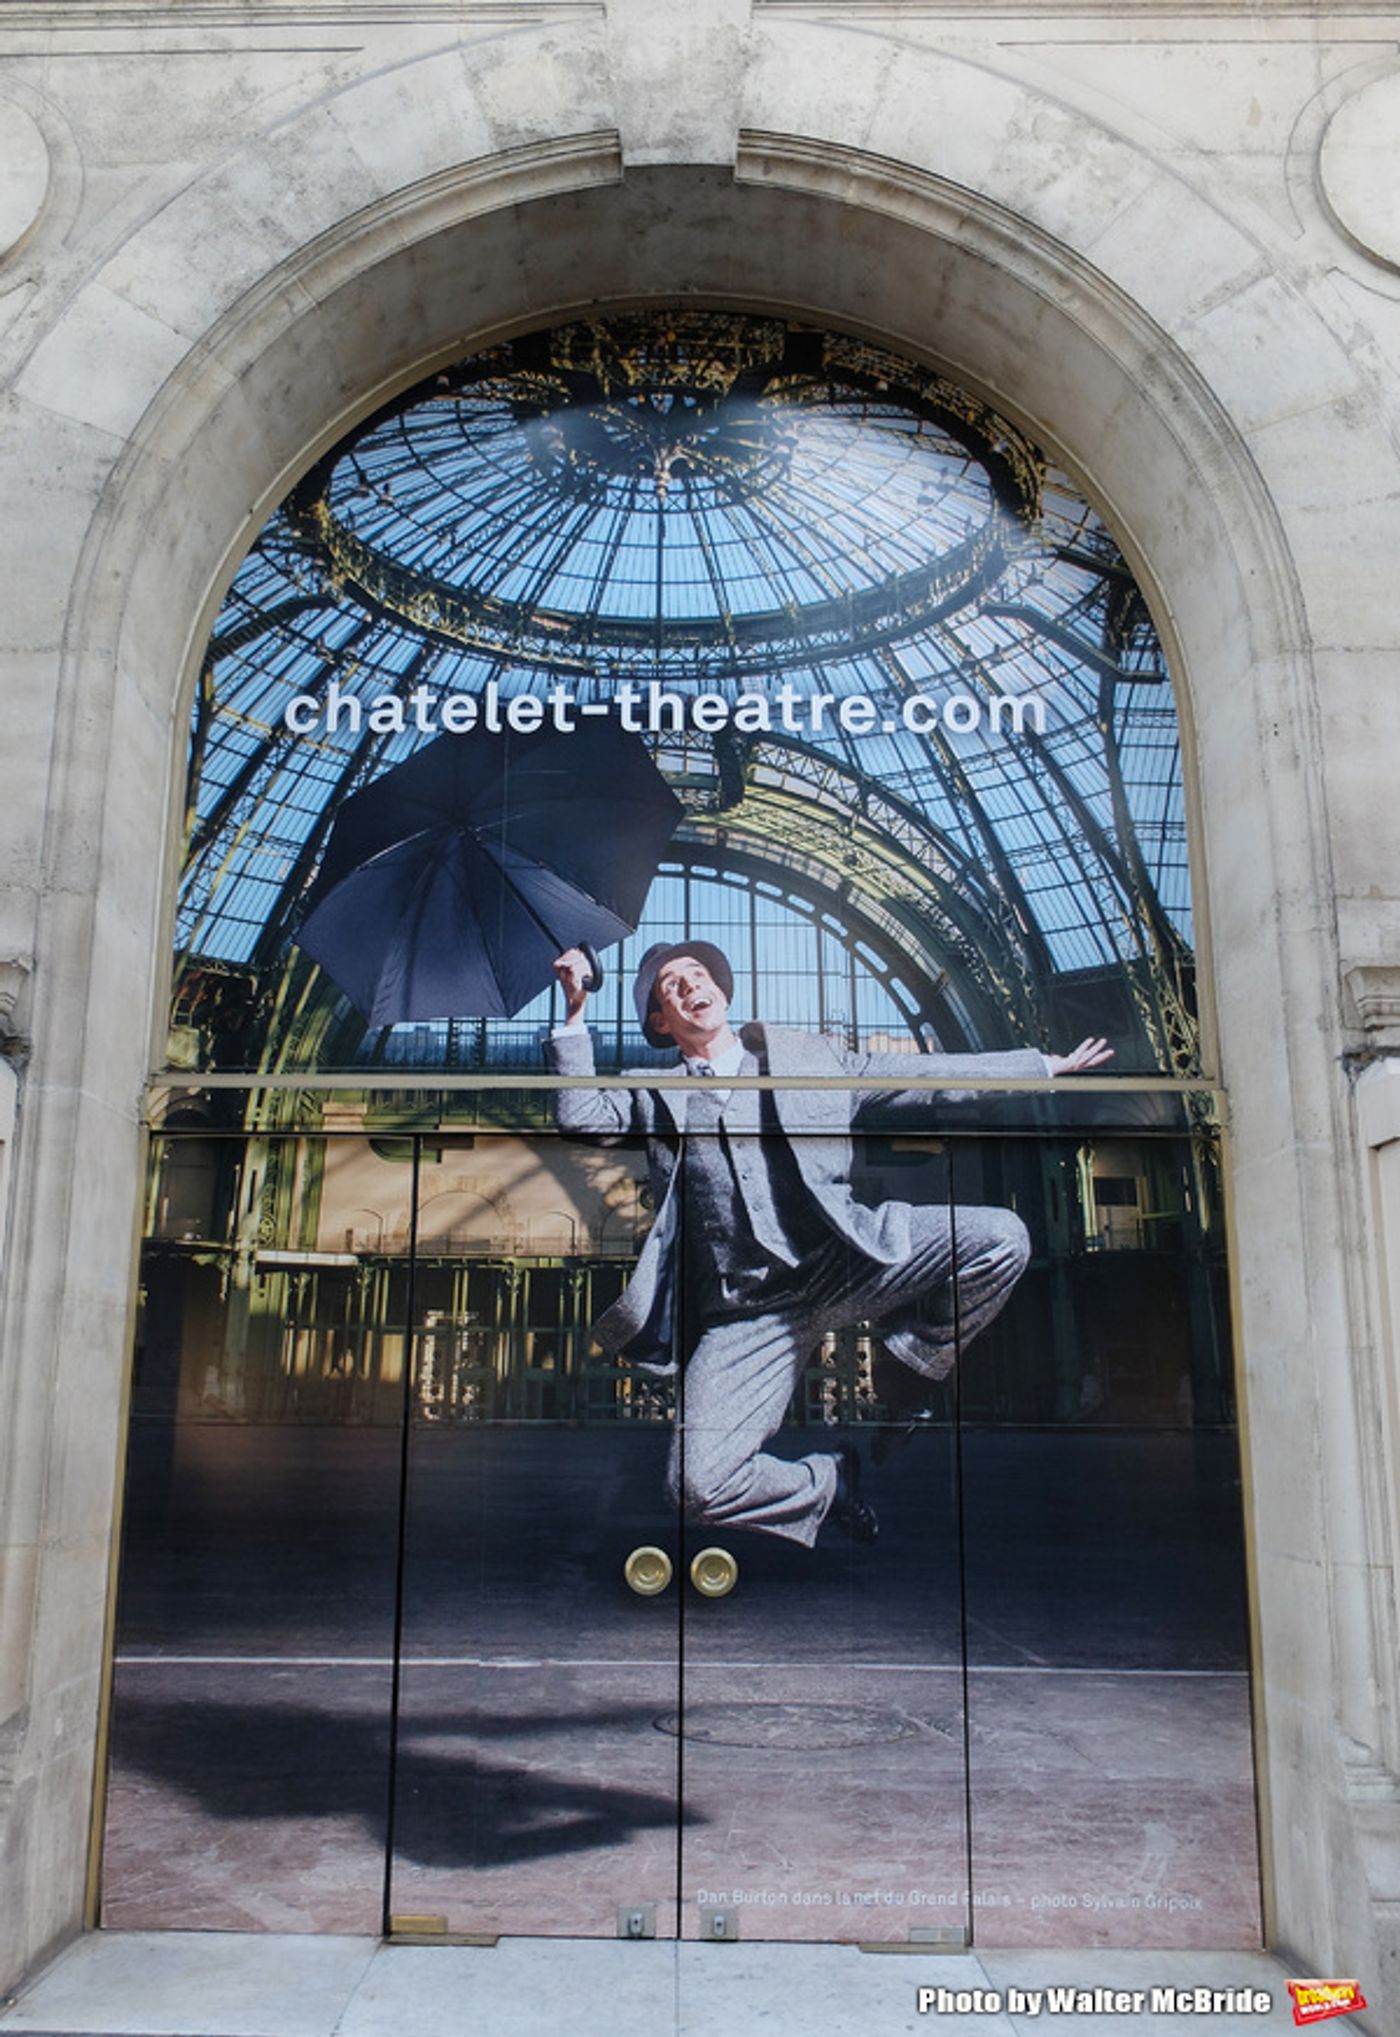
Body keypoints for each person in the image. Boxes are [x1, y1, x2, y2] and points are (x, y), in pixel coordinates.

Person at [547, 942, 1112, 1548]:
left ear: (723, 991)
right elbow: (581, 1118)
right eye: (671, 987)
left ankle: (909, 1372)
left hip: (846, 1261)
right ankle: (830, 1483)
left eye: (698, 974)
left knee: (1001, 1239)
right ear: (662, 1022)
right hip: (747, 1312)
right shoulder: (656, 1095)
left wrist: (1038, 1067)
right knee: (697, 1486)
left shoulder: (808, 1060)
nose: (689, 986)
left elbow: (925, 1079)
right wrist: (575, 1009)